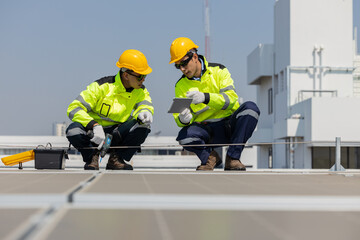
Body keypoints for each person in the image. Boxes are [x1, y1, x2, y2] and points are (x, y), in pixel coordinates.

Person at [169, 37, 260, 171]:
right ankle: (209, 158)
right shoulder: (180, 85)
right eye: (178, 66)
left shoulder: (219, 70)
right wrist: (182, 119)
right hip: (207, 131)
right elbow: (178, 118)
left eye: (183, 63)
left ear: (194, 57)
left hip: (228, 125)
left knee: (250, 109)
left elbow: (231, 100)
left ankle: (233, 158)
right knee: (184, 137)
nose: (182, 69)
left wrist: (206, 98)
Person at [66, 49, 154, 170]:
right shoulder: (101, 87)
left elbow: (145, 104)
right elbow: (74, 108)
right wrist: (93, 125)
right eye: (140, 76)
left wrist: (145, 111)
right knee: (73, 131)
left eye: (145, 76)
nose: (143, 79)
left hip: (118, 134)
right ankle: (92, 157)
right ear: (126, 75)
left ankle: (116, 159)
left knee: (143, 126)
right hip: (93, 134)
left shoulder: (141, 91)